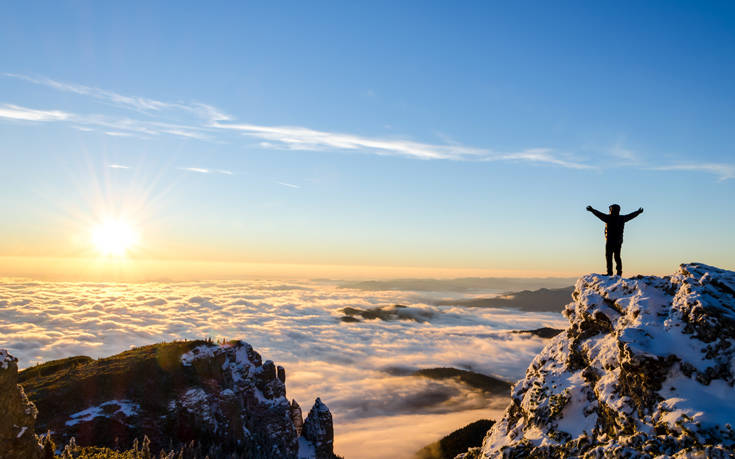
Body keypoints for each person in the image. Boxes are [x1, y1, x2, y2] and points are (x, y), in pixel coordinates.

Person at [586, 204, 643, 276]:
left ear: (611, 210)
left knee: (609, 256)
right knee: (617, 256)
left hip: (610, 241)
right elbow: (631, 216)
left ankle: (610, 273)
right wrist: (638, 212)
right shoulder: (622, 218)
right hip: (618, 241)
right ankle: (619, 273)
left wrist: (592, 210)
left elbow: (599, 214)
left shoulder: (608, 218)